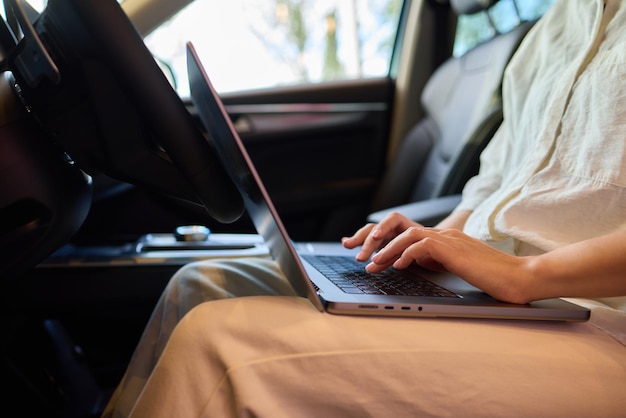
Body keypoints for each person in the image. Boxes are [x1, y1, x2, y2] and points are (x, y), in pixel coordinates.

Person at [103, 0, 626, 416]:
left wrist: (528, 274)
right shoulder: (558, 26)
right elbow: (497, 181)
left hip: (599, 317)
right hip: (502, 293)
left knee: (217, 345)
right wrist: (431, 247)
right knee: (198, 284)